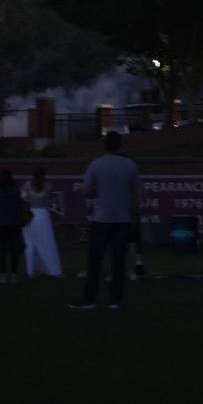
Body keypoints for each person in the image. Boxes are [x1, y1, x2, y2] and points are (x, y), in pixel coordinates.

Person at [70, 132, 141, 311]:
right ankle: (115, 301)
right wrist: (132, 216)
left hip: (101, 219)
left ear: (104, 145)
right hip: (122, 220)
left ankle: (89, 299)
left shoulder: (96, 164)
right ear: (120, 145)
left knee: (95, 262)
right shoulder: (129, 165)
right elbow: (138, 195)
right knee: (118, 262)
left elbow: (85, 191)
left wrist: (98, 192)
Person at [20, 167, 61, 278]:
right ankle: (51, 268)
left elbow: (22, 198)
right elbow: (51, 199)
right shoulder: (48, 186)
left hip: (30, 215)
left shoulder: (27, 185)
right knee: (47, 242)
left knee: (30, 243)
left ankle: (31, 271)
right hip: (43, 215)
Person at [0, 169, 24, 285]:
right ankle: (14, 275)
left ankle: (3, 276)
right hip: (13, 223)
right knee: (14, 250)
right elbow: (18, 206)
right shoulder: (16, 191)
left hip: (0, 223)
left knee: (2, 250)